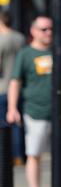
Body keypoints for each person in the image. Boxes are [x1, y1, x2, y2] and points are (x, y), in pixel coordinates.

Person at [6, 15, 61, 187]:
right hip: (35, 112)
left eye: (50, 29)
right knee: (34, 155)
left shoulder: (59, 52)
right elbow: (15, 81)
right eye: (43, 29)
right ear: (33, 31)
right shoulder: (26, 54)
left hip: (60, 114)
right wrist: (12, 108)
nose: (48, 33)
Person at [0, 9, 25, 164]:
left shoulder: (2, 40)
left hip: (3, 88)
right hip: (19, 87)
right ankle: (18, 155)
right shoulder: (20, 38)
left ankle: (5, 157)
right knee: (17, 123)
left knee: (4, 125)